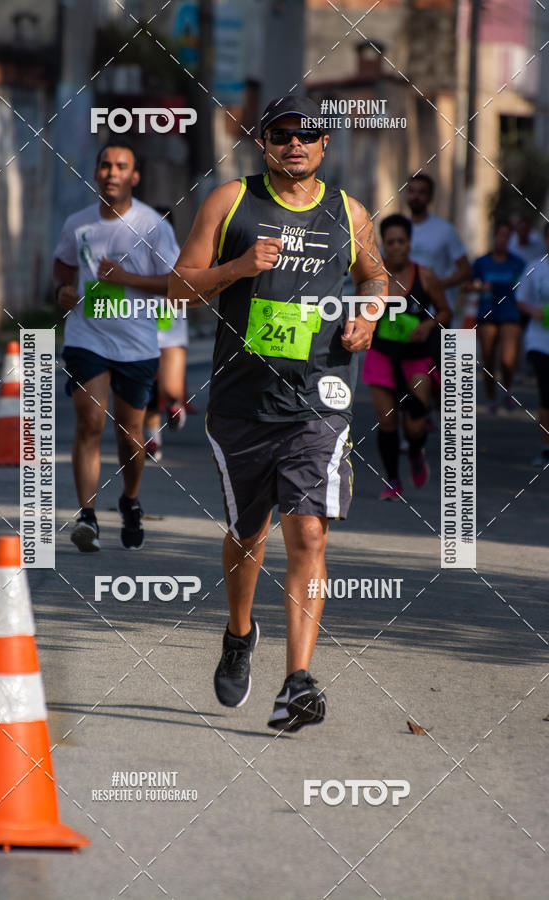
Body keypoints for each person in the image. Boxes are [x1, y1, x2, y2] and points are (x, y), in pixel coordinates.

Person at [168, 95, 388, 732]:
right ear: (263, 143)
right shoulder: (230, 201)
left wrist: (369, 315)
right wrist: (237, 267)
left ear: (324, 145)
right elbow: (180, 287)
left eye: (307, 134)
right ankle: (240, 634)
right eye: (282, 134)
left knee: (309, 531)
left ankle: (298, 680)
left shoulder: (349, 212)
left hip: (320, 397)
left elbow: (375, 277)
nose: (295, 143)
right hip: (242, 401)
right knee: (248, 535)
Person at [53, 140, 180, 551]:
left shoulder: (153, 226)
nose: (112, 172)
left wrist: (127, 279)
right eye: (105, 165)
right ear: (96, 173)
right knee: (89, 423)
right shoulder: (78, 223)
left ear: (134, 176)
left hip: (137, 344)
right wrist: (62, 290)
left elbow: (176, 282)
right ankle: (87, 516)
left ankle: (130, 500)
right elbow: (62, 264)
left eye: (121, 166)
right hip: (86, 337)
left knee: (130, 435)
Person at [362, 214, 451, 500]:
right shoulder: (375, 276)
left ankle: (415, 452)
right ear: (383, 245)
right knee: (387, 422)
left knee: (415, 423)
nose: (396, 247)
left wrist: (428, 325)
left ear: (410, 243)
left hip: (415, 358)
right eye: (390, 242)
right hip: (381, 355)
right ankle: (393, 481)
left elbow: (445, 311)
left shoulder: (425, 276)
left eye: (401, 241)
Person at [144, 207, 189, 463]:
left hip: (169, 325)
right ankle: (153, 441)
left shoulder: (176, 252)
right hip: (141, 324)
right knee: (146, 389)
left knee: (169, 387)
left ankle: (174, 404)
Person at [469, 221, 525, 413]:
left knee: (507, 359)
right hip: (487, 312)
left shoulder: (518, 263)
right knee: (488, 357)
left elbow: (525, 288)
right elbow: (468, 285)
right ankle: (491, 398)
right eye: (500, 235)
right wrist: (478, 287)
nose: (502, 240)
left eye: (506, 236)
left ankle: (508, 389)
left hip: (510, 312)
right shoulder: (481, 262)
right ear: (493, 237)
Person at [406, 173, 471, 315]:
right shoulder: (398, 228)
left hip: (437, 310)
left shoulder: (445, 230)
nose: (416, 196)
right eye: (412, 191)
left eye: (421, 192)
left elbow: (465, 270)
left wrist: (438, 285)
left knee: (441, 328)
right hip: (404, 309)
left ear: (430, 197)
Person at [515, 221, 549, 466]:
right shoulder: (534, 268)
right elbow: (520, 299)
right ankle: (547, 448)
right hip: (539, 341)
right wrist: (534, 311)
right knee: (547, 394)